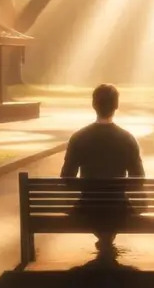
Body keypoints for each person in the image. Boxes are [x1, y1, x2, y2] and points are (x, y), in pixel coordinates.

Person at [60, 84, 144, 258]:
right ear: (116, 106)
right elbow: (139, 179)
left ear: (93, 105)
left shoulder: (79, 138)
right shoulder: (127, 138)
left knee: (89, 207)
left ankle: (104, 240)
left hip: (87, 208)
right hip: (118, 208)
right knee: (127, 206)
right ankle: (107, 240)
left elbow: (67, 178)